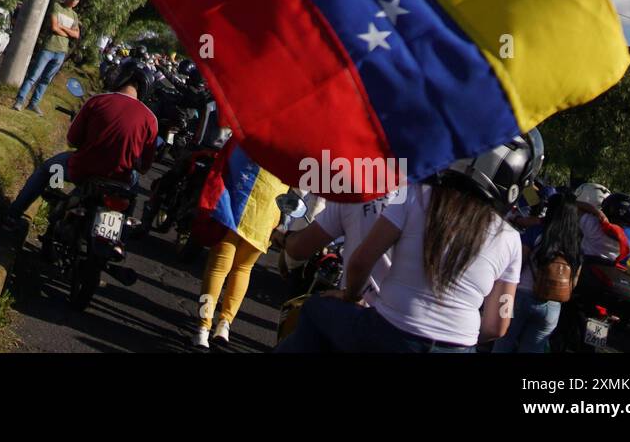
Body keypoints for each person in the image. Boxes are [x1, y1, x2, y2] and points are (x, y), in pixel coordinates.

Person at [275, 131, 543, 353]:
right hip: (458, 347)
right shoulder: (510, 240)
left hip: (389, 333)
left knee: (313, 310)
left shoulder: (417, 197)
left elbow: (360, 262)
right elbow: (498, 325)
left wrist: (350, 296)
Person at [3, 60, 156, 228]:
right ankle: (122, 230)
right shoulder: (151, 120)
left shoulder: (97, 101)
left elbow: (71, 141)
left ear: (119, 77)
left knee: (48, 169)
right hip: (120, 180)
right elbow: (143, 168)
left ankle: (25, 209)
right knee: (132, 189)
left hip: (82, 170)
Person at [193, 151, 291, 349]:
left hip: (233, 206)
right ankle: (224, 324)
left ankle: (202, 328)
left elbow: (225, 159)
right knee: (242, 270)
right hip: (263, 215)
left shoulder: (249, 132)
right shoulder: (294, 149)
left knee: (217, 270)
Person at [280, 187, 404, 305]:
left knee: (307, 309)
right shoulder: (418, 202)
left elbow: (299, 248)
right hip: (408, 315)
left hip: (367, 311)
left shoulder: (352, 195)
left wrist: (350, 295)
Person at [493, 190, 582, 352]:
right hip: (552, 307)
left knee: (503, 342)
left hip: (520, 297)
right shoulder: (575, 244)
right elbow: (573, 282)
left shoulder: (537, 231)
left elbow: (518, 265)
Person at [12, 0, 82, 114]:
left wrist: (62, 28)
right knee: (33, 76)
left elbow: (76, 35)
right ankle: (19, 100)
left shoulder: (74, 15)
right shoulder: (57, 7)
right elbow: (54, 27)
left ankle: (33, 103)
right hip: (49, 48)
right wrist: (67, 33)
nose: (74, 0)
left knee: (46, 80)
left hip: (61, 52)